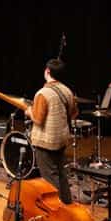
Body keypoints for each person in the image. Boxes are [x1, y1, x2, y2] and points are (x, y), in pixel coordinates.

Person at [25, 57, 78, 203]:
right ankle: (68, 205)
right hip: (61, 139)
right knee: (61, 174)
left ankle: (57, 211)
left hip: (46, 142)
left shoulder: (43, 93)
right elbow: (74, 113)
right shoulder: (68, 91)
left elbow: (37, 119)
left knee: (50, 178)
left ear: (47, 71)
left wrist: (29, 111)